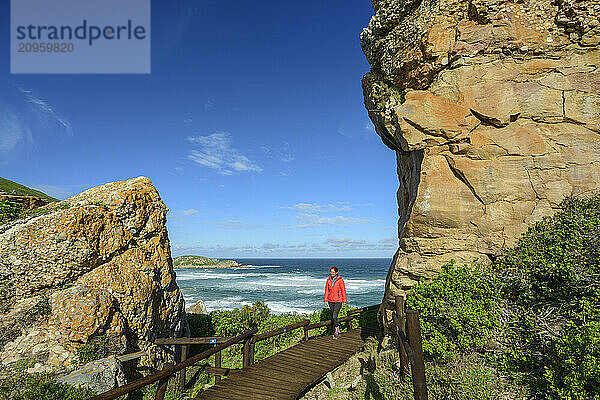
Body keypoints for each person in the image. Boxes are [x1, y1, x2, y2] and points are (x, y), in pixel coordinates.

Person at [323, 266, 347, 339]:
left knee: (334, 316)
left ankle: (336, 330)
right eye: (331, 272)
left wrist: (344, 300)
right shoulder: (328, 280)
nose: (332, 273)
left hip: (338, 300)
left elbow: (343, 290)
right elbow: (327, 290)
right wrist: (325, 300)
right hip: (330, 300)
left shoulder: (340, 280)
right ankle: (338, 329)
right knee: (334, 317)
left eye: (333, 272)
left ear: (336, 273)